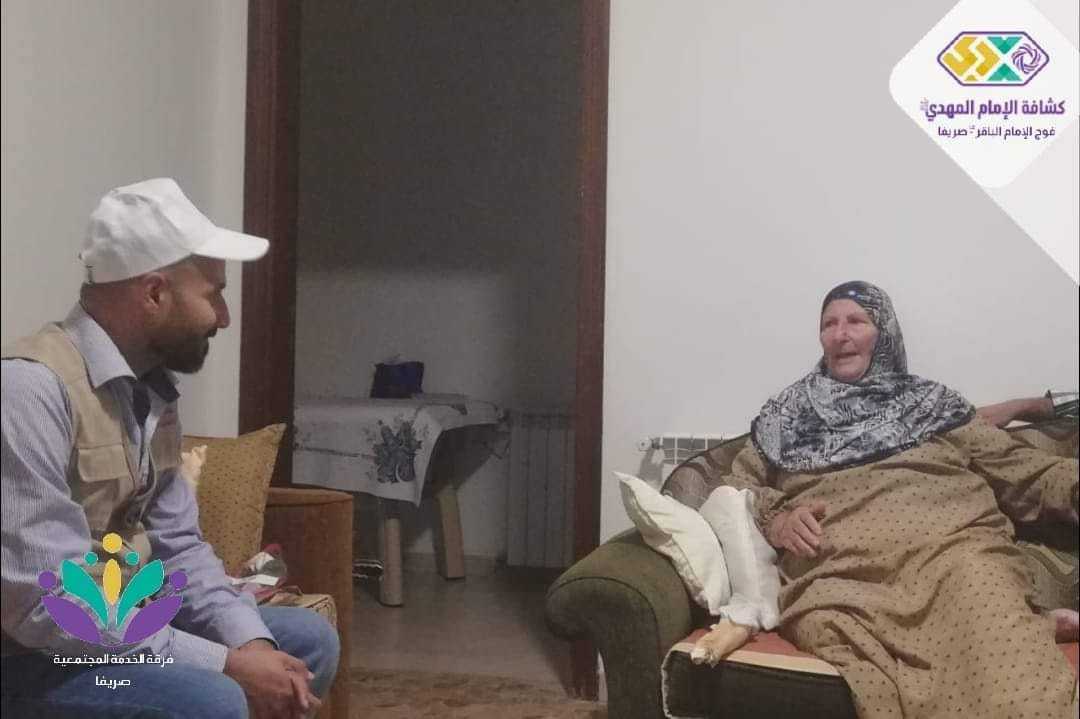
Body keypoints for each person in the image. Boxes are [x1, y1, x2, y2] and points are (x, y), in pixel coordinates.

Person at [1, 178, 339, 719]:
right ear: (154, 293)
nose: (224, 317)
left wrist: (250, 645)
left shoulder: (151, 390)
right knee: (214, 697)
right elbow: (47, 607)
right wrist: (224, 664)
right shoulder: (29, 390)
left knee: (304, 641)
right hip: (34, 654)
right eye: (213, 294)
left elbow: (178, 546)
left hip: (121, 620)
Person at [722, 281, 1078, 718]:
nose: (840, 334)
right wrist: (776, 519)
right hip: (840, 579)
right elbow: (735, 488)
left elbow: (1022, 469)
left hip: (953, 557)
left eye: (856, 321)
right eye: (829, 324)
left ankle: (1028, 629)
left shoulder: (933, 404)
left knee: (1018, 682)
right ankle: (1041, 624)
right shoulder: (785, 416)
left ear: (884, 332)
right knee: (856, 662)